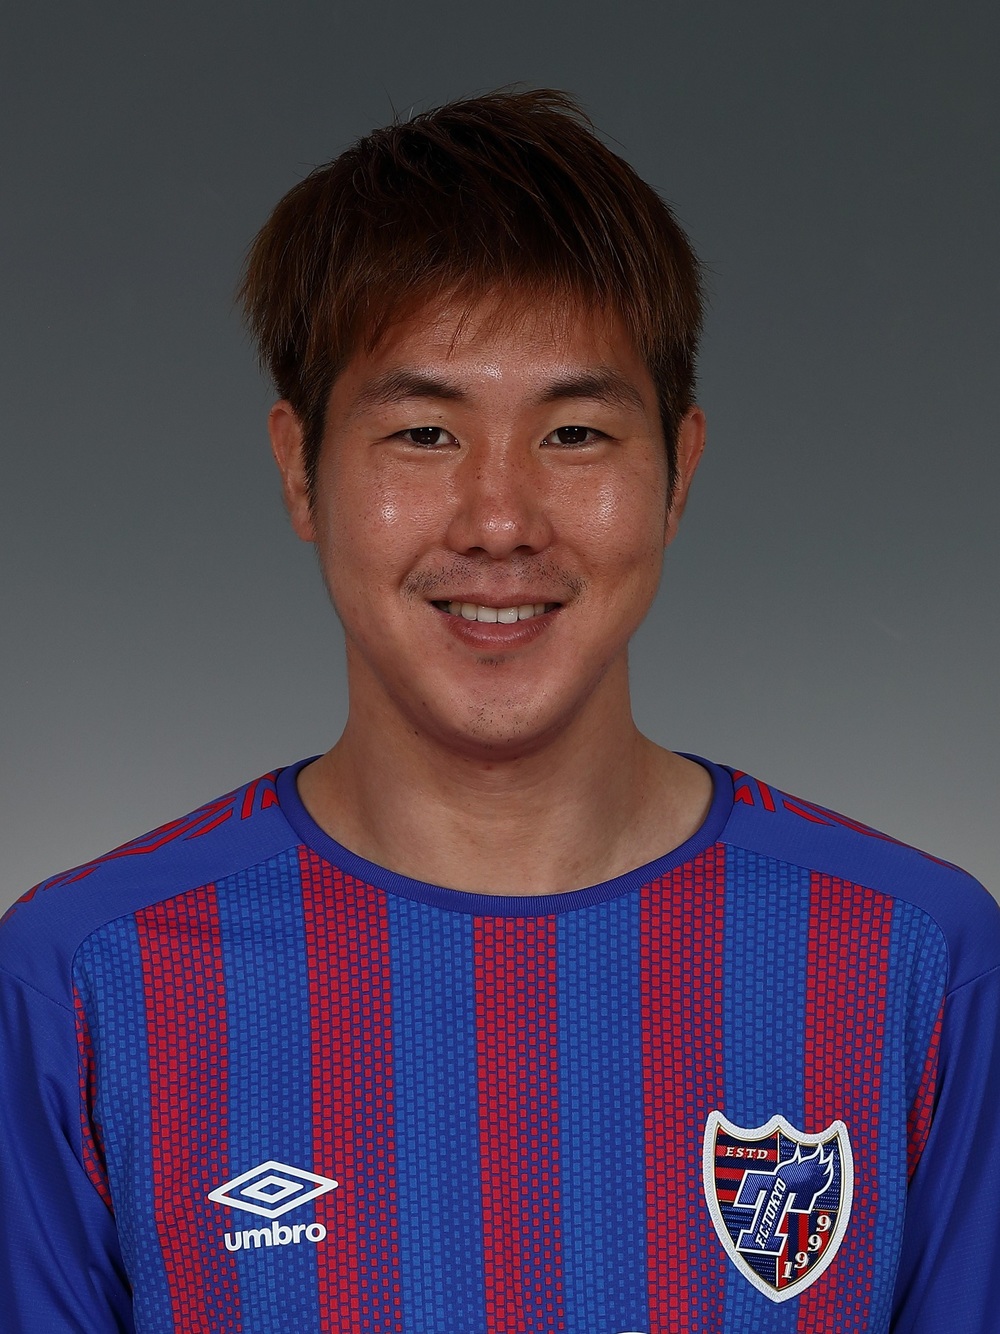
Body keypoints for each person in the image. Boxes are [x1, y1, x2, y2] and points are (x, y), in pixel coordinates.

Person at [1, 88, 997, 1334]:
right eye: (424, 432)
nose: (500, 520)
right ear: (298, 468)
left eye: (573, 432)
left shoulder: (918, 961)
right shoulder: (85, 983)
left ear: (679, 470)